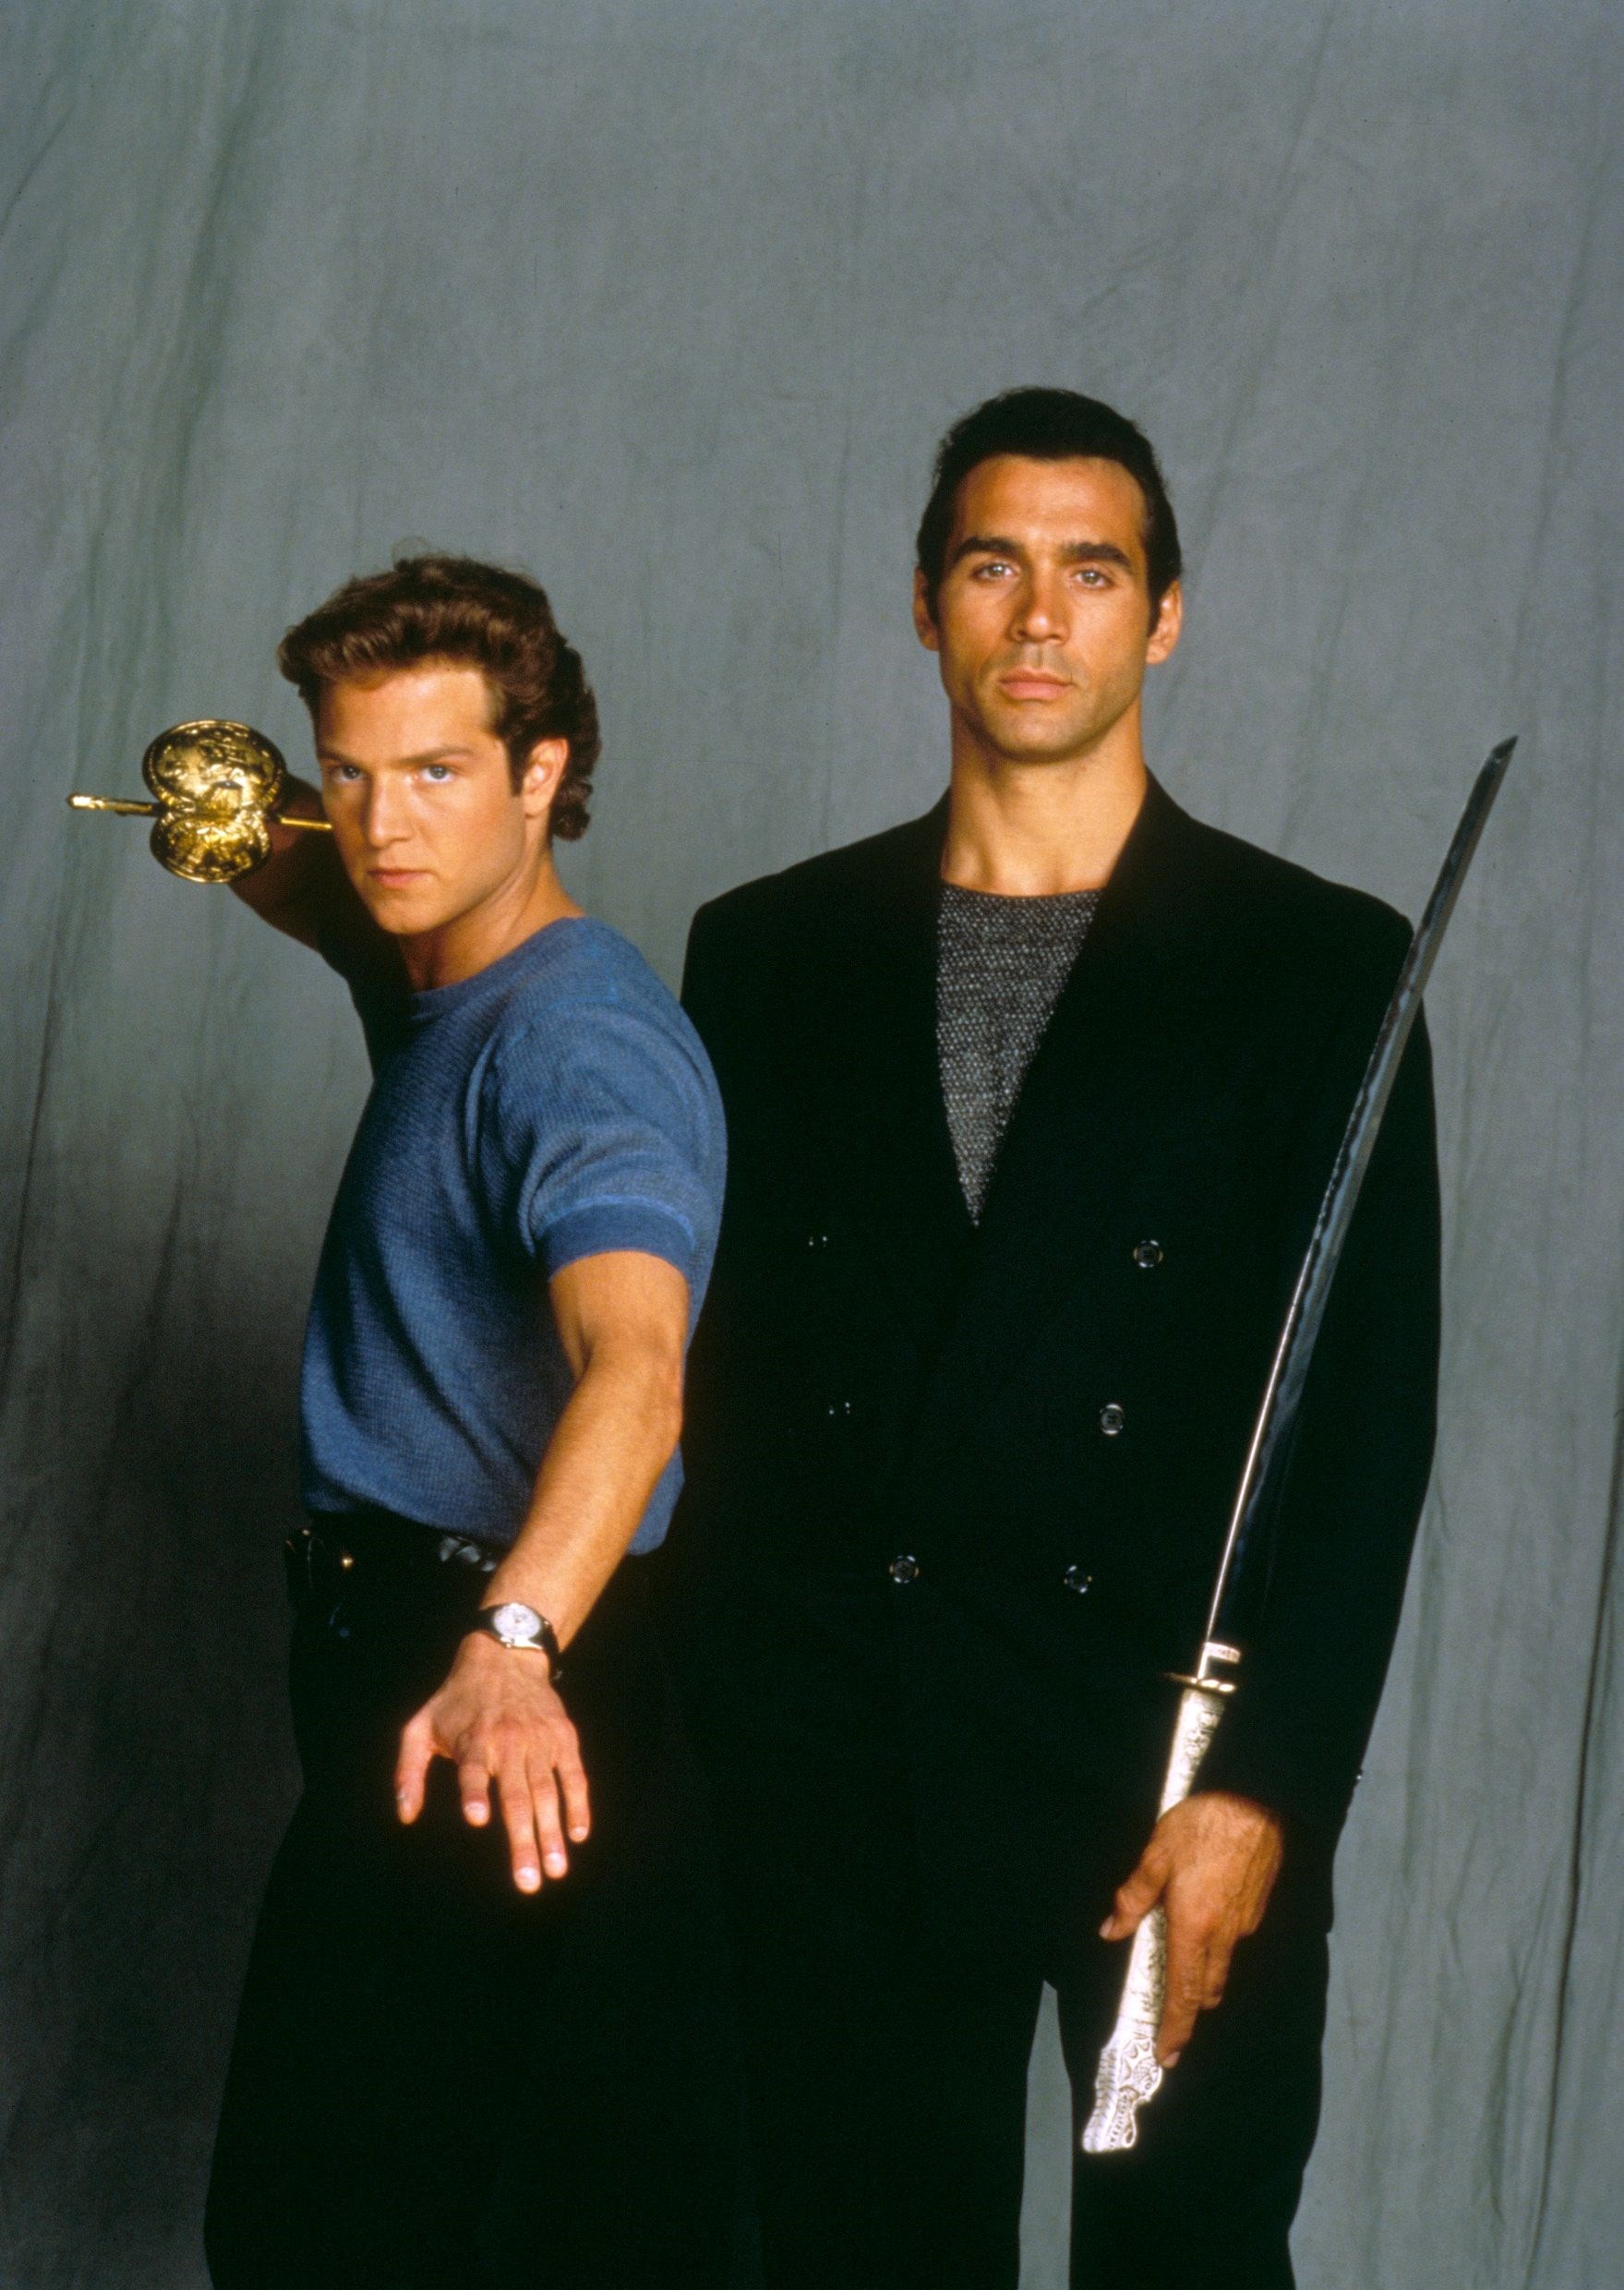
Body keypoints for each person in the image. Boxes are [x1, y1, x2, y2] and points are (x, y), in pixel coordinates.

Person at [662, 390, 1440, 2288]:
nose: (1037, 616)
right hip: (843, 1761)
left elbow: (1365, 1434)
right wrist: (730, 1745)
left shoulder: (1319, 963)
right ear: (923, 605)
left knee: (1188, 2261)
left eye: (1091, 571)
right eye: (990, 565)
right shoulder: (767, 952)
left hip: (1158, 1764)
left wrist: (1265, 1790)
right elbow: (719, 1386)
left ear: (1161, 618)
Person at [201, 555, 740, 2289]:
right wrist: (221, 804)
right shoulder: (438, 971)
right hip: (412, 1656)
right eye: (349, 771)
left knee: (358, 2229)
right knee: (358, 2210)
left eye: (437, 770)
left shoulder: (578, 1043)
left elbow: (638, 1374)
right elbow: (332, 892)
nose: (383, 824)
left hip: (502, 1676)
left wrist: (512, 1644)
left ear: (543, 771)